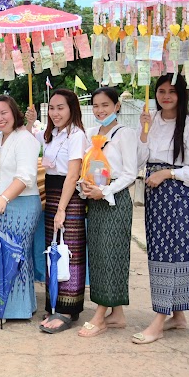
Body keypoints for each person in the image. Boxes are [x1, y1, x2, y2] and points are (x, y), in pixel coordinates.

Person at [135, 74, 189, 344]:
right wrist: (144, 131)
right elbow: (140, 159)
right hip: (155, 195)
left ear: (181, 94)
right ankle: (178, 315)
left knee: (174, 251)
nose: (166, 96)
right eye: (161, 91)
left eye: (172, 91)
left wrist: (169, 173)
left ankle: (159, 320)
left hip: (179, 195)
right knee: (159, 250)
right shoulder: (152, 120)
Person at [75, 87, 138, 338]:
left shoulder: (125, 134)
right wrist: (85, 186)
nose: (100, 110)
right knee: (99, 256)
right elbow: (86, 167)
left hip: (114, 200)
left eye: (105, 105)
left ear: (117, 107)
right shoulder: (91, 134)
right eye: (96, 105)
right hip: (94, 198)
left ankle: (100, 316)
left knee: (112, 254)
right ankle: (117, 314)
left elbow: (130, 173)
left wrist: (106, 191)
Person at [26, 89, 88, 333]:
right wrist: (31, 121)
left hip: (68, 196)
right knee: (53, 251)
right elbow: (30, 139)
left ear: (72, 108)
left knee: (69, 251)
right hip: (52, 193)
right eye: (52, 108)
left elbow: (73, 175)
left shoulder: (77, 135)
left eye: (61, 108)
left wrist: (62, 209)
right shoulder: (51, 134)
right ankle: (54, 302)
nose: (55, 112)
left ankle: (68, 309)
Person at [0, 95, 41, 329]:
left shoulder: (24, 139)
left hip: (20, 203)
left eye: (4, 112)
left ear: (14, 112)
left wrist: (4, 197)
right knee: (10, 255)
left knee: (10, 256)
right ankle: (23, 306)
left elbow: (25, 176)